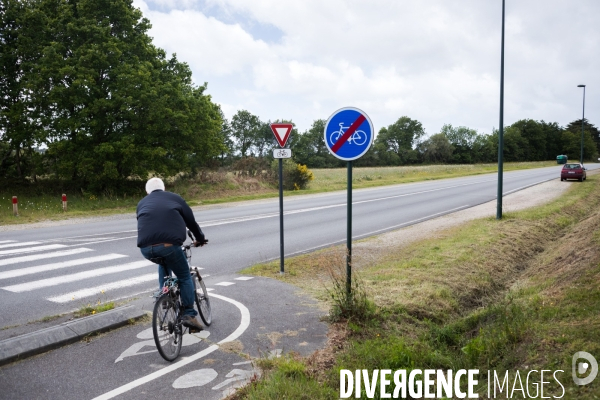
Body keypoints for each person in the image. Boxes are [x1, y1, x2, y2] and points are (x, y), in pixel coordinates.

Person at [137, 177, 206, 331]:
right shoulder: (175, 198)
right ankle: (189, 314)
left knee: (164, 262)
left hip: (146, 249)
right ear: (164, 188)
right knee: (184, 276)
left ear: (147, 191)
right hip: (169, 246)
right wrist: (200, 238)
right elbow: (191, 222)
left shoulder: (142, 203)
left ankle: (165, 295)